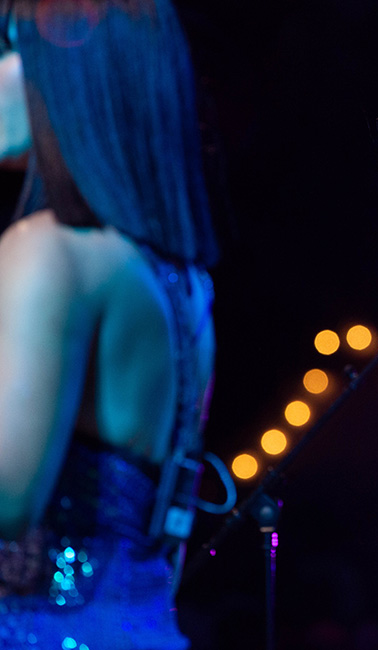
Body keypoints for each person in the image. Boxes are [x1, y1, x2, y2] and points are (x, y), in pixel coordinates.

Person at [0, 0, 218, 647]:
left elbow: (8, 502)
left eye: (9, 50)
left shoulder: (48, 252)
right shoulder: (180, 282)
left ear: (68, 74)